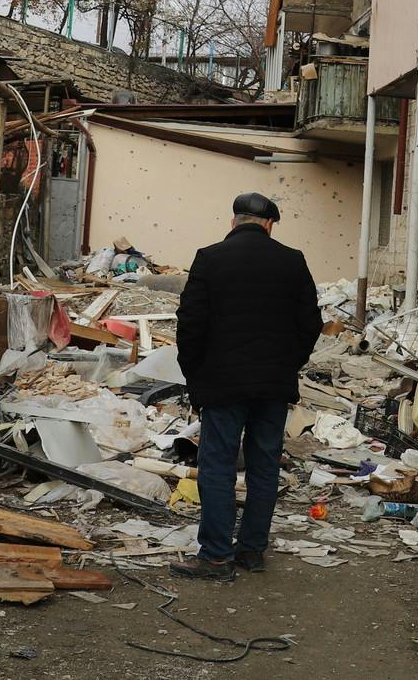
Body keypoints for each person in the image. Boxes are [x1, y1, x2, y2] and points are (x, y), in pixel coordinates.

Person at [171, 191, 322, 581]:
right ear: (269, 225)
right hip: (273, 385)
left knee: (217, 466)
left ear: (233, 222)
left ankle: (217, 556)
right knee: (264, 465)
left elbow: (189, 325)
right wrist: (289, 364)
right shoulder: (293, 261)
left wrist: (194, 376)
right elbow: (310, 324)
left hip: (222, 385)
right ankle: (252, 550)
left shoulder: (210, 258)